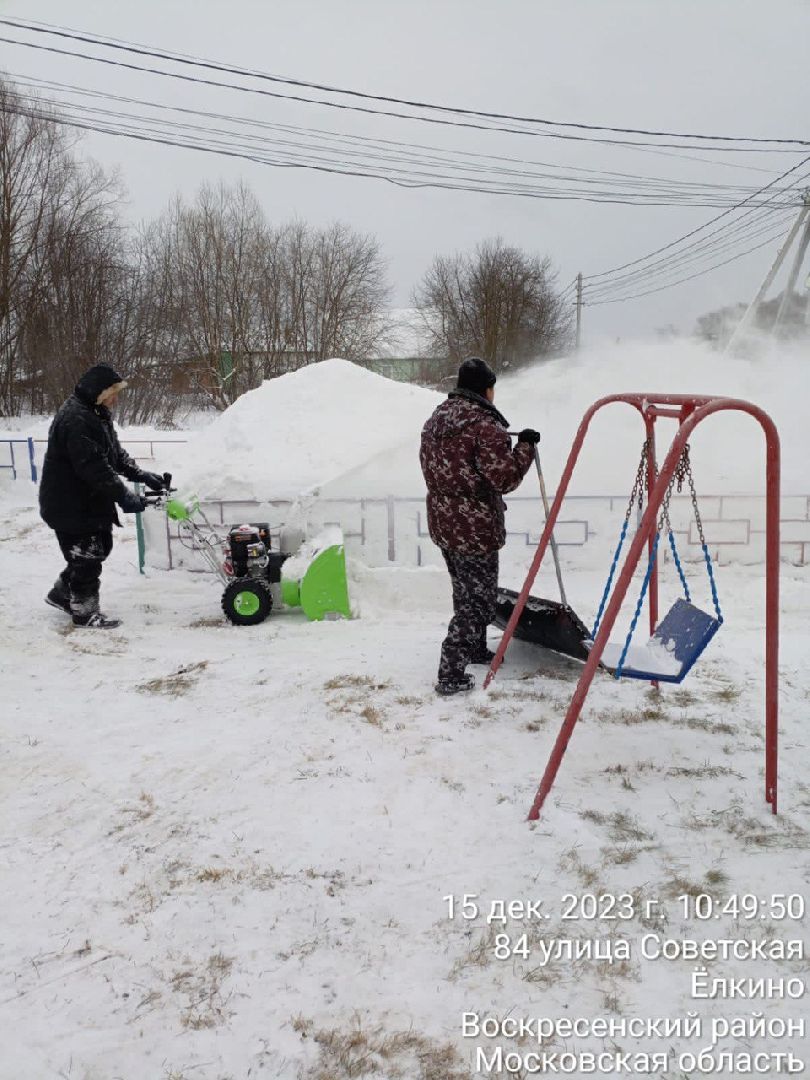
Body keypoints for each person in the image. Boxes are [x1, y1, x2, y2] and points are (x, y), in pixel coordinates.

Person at [420, 357, 540, 695]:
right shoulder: (486, 426)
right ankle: (451, 673)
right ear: (486, 389)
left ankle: (473, 648)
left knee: (465, 593)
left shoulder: (436, 420)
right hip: (474, 528)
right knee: (478, 602)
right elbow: (504, 477)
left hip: (443, 522)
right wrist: (525, 448)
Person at [39, 364, 167, 629]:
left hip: (88, 500)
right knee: (87, 556)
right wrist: (124, 497)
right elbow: (95, 468)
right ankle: (84, 612)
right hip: (69, 503)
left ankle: (63, 593)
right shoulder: (76, 420)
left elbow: (114, 455)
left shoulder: (96, 413)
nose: (115, 399)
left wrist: (141, 475)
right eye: (112, 394)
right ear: (98, 392)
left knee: (97, 549)